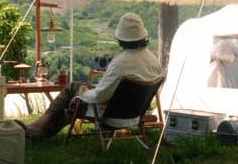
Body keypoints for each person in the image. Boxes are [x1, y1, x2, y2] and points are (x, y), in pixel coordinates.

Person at [20, 12, 163, 141]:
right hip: (134, 115)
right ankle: (38, 129)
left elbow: (99, 97)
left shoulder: (121, 63)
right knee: (70, 100)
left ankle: (36, 130)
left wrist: (83, 93)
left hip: (110, 115)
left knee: (71, 91)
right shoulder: (153, 60)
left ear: (121, 38)